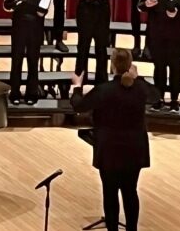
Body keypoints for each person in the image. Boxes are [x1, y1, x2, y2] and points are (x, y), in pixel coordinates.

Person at [71, 48, 160, 231]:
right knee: (130, 192)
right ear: (130, 66)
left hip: (109, 150)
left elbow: (79, 106)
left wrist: (77, 87)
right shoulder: (140, 88)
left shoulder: (104, 90)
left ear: (112, 66)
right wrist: (139, 78)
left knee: (110, 194)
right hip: (134, 149)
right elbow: (156, 96)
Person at [3, 0, 48, 105]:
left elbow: (45, 8)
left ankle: (32, 93)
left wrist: (43, 12)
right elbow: (6, 6)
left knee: (33, 61)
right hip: (19, 28)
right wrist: (15, 4)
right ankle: (14, 92)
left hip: (35, 28)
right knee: (17, 60)